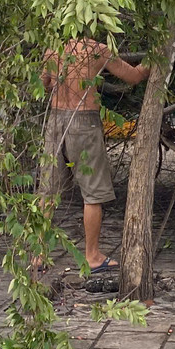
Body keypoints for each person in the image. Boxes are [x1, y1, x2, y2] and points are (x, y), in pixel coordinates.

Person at [40, 37, 151, 275]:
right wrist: (155, 58)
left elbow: (44, 84)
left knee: (49, 190)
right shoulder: (96, 49)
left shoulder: (53, 48)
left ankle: (39, 255)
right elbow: (133, 76)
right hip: (83, 120)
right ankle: (91, 255)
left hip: (55, 119)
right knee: (93, 193)